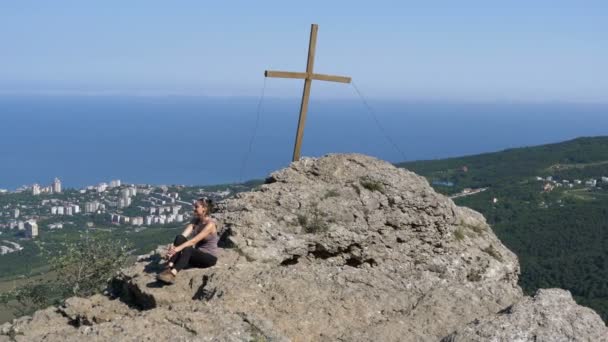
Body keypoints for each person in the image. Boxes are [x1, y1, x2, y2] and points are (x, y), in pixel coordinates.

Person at [157, 197, 219, 284]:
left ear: (204, 208)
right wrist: (173, 247)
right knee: (179, 238)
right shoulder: (195, 221)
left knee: (187, 248)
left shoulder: (210, 224)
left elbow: (193, 241)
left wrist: (177, 249)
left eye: (196, 207)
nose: (194, 209)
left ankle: (172, 274)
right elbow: (183, 236)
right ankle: (169, 266)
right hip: (196, 256)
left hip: (208, 259)